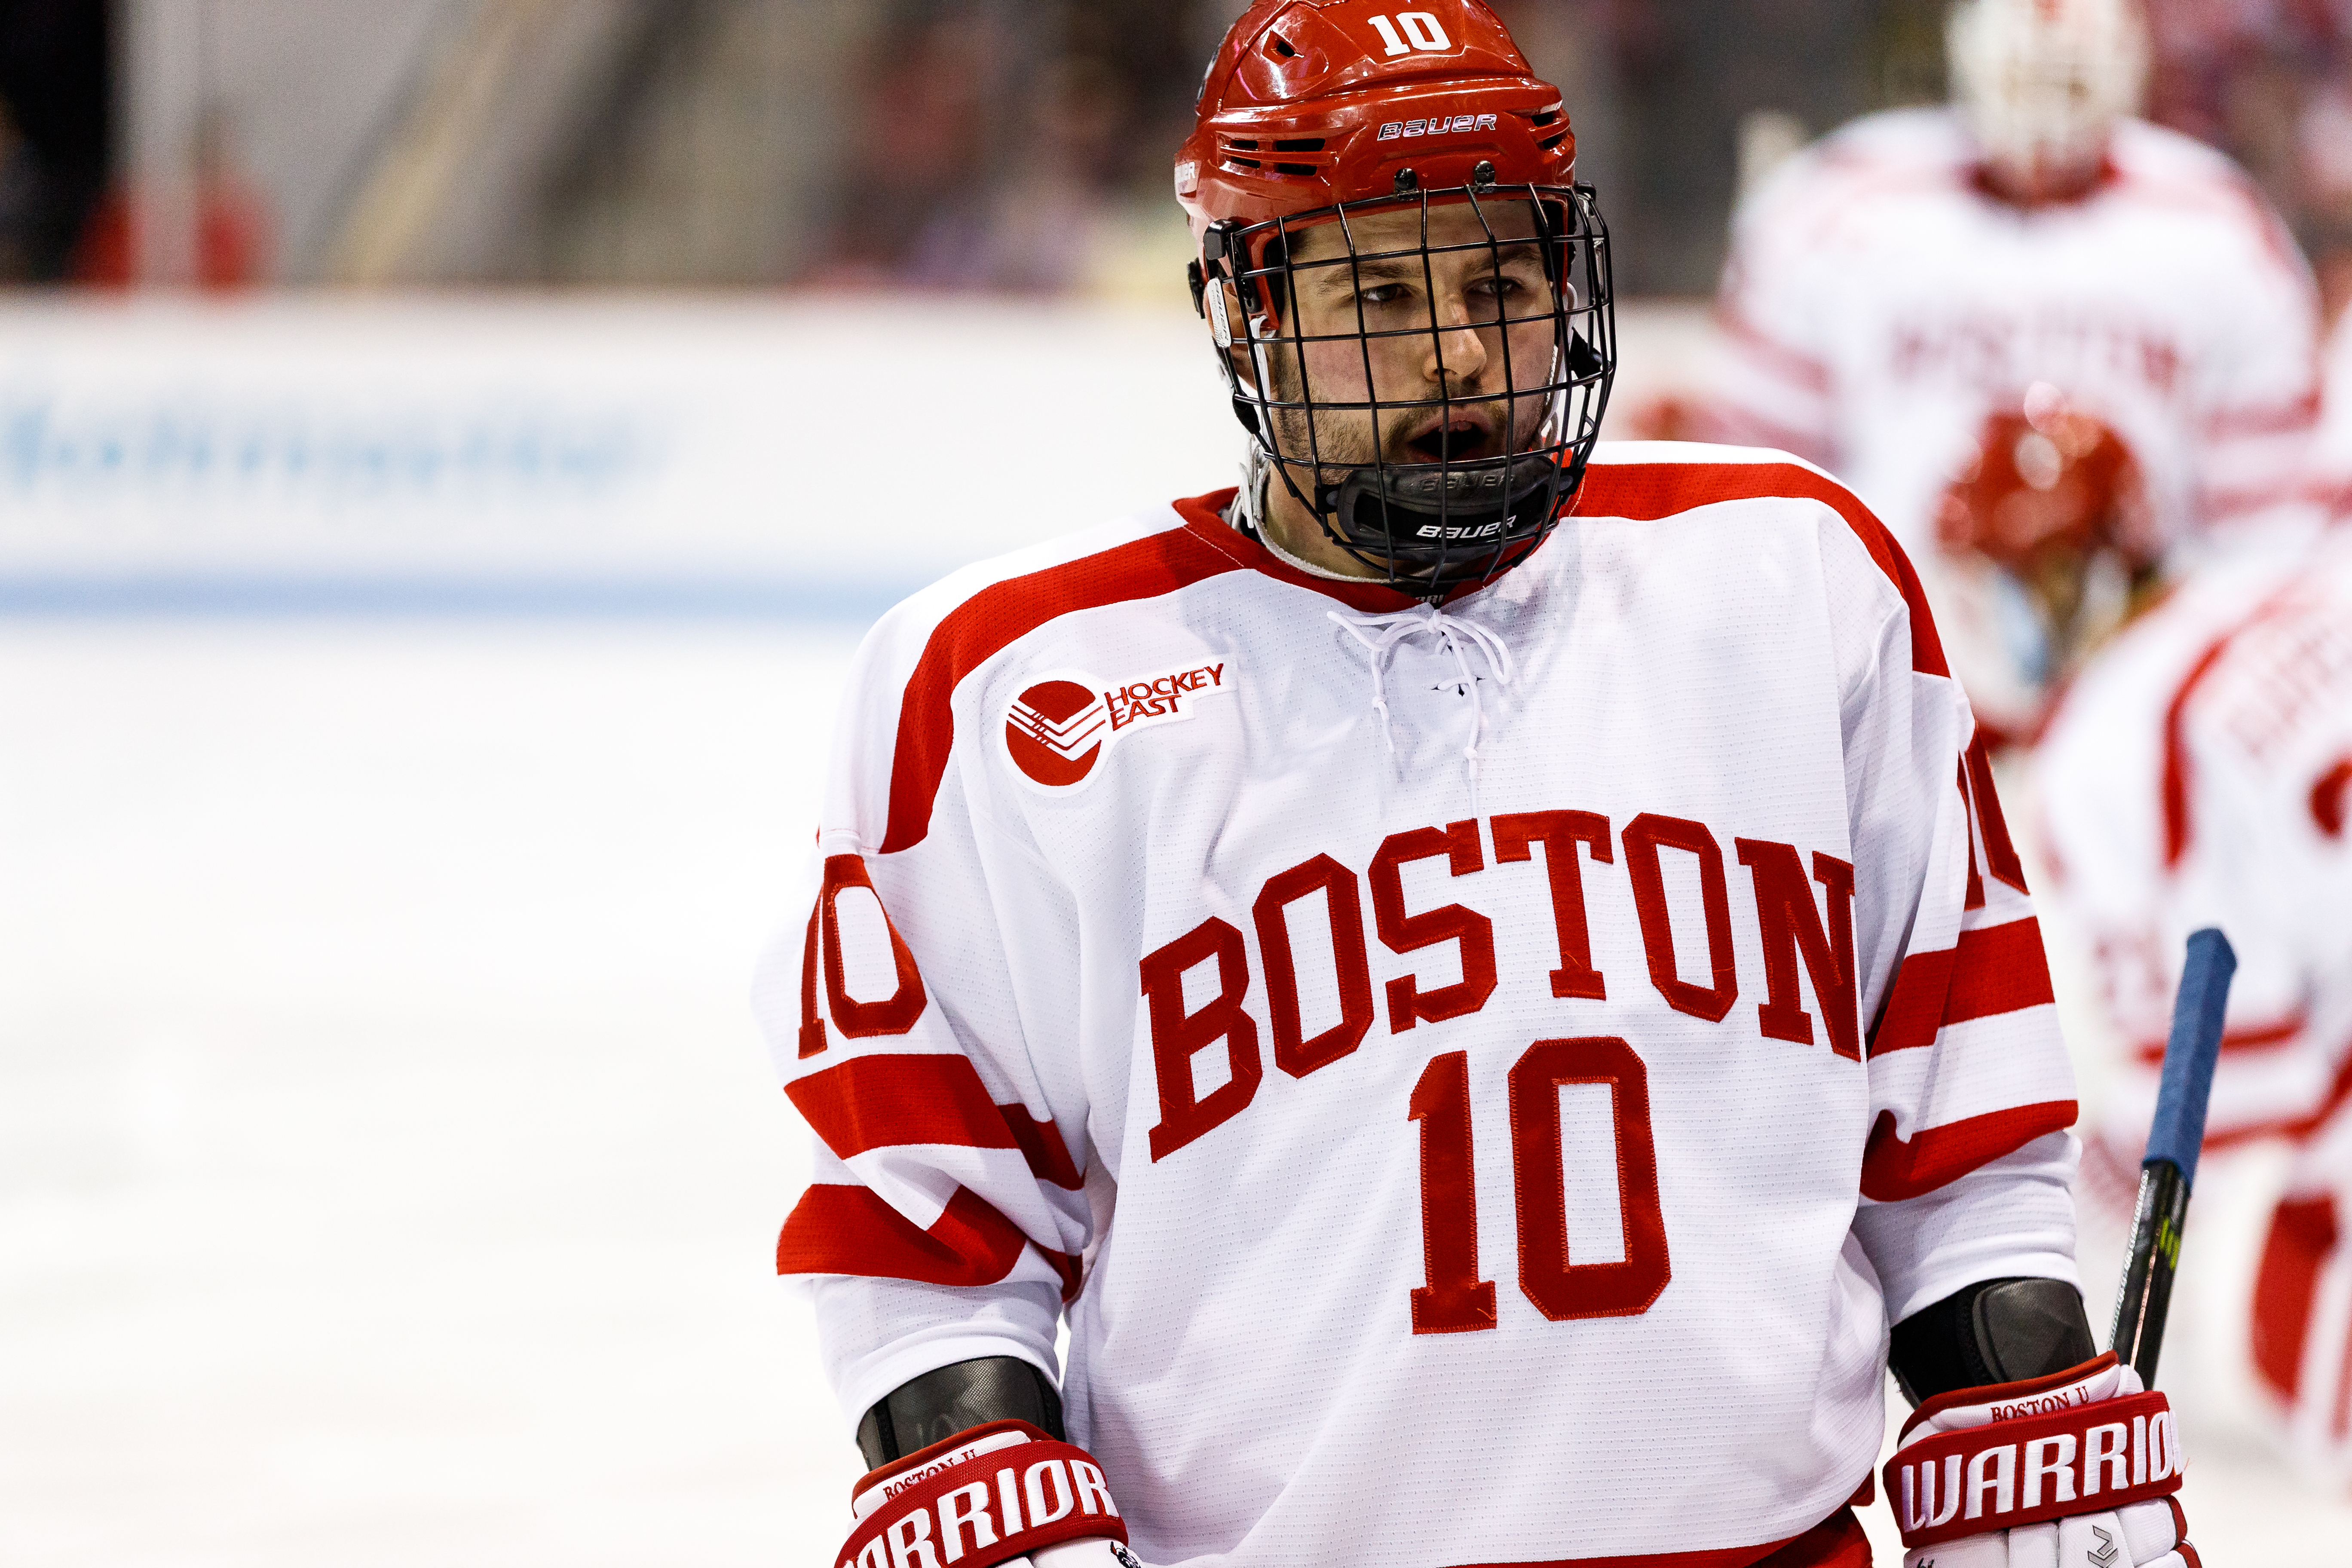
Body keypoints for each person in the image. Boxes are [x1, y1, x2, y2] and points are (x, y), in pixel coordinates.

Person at [760, 6, 2199, 1566]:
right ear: (1240, 311)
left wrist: (2028, 1409)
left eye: (1499, 282)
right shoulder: (997, 689)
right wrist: (974, 1472)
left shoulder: (1796, 586)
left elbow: (1956, 1128)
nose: (1455, 348)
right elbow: (934, 1223)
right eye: (1378, 291)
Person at [1703, 0, 2323, 746]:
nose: (2045, 107)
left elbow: (2270, 552)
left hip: (2141, 721)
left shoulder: (2223, 230)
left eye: (2068, 82)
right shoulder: (1829, 211)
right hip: (1882, 710)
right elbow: (1753, 512)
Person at [2035, 314, 2352, 1488]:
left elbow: (2227, 1094)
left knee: (2279, 1321)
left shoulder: (2103, 742)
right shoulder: (2295, 570)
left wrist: (2084, 1202)